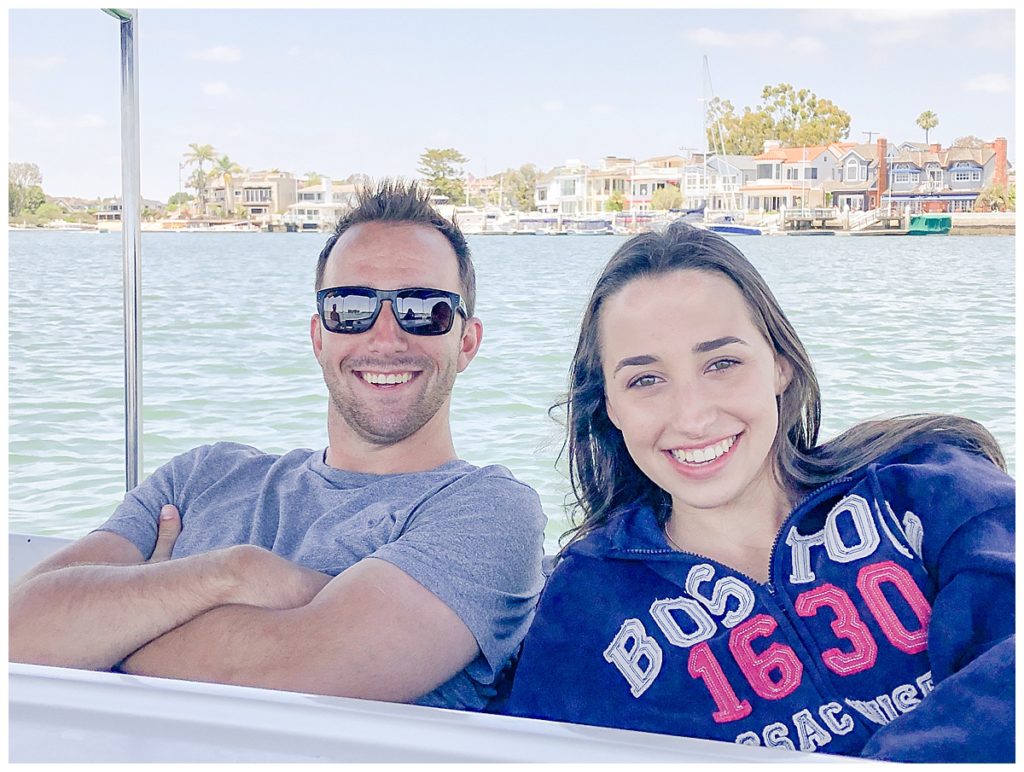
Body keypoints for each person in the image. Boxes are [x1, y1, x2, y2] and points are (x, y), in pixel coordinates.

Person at [10, 179, 547, 712]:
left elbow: (298, 666)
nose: (386, 338)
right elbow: (18, 630)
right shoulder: (200, 477)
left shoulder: (490, 511)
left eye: (424, 309)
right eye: (350, 308)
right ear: (319, 337)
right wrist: (234, 573)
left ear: (467, 341)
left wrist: (112, 626)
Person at [506, 222, 1014, 761]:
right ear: (610, 406)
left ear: (780, 365)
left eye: (721, 364)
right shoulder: (585, 606)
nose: (693, 416)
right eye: (645, 380)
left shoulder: (930, 485)